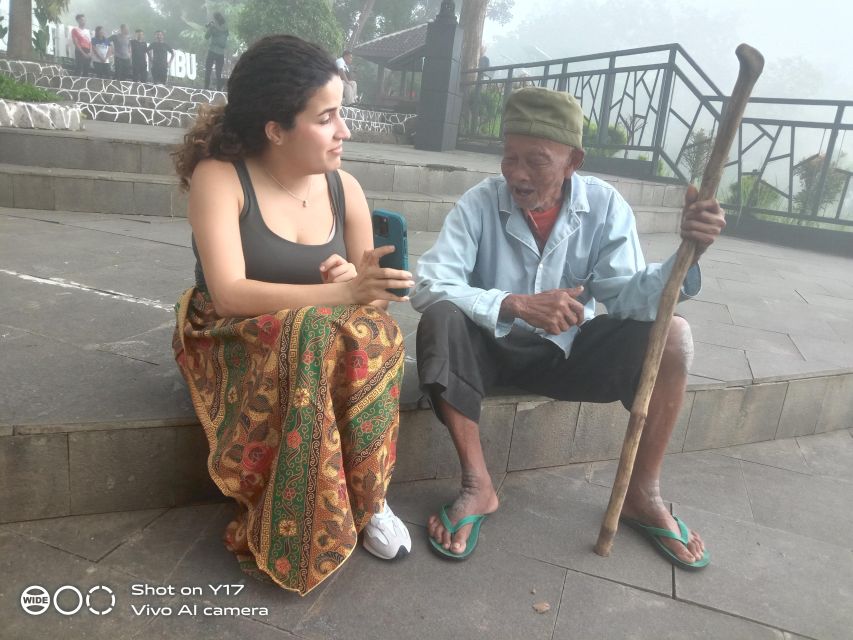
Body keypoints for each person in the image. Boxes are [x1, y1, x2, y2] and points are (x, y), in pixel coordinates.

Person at [411, 87, 725, 568]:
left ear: (573, 160)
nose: (517, 173)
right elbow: (428, 284)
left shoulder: (604, 207)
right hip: (491, 354)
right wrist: (513, 304)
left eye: (535, 160)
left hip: (570, 354)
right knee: (441, 318)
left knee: (675, 337)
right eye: (509, 157)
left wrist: (688, 255)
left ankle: (643, 492)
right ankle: (478, 484)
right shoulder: (478, 205)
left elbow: (627, 296)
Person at [172, 34, 413, 596]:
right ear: (275, 129)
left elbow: (367, 298)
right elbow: (229, 293)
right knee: (312, 333)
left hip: (317, 331)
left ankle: (367, 497)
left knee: (375, 334)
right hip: (233, 333)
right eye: (326, 118)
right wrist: (340, 298)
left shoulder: (344, 186)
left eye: (341, 114)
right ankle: (302, 511)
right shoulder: (220, 177)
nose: (344, 131)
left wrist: (359, 285)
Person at [204, 12, 229, 91]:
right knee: (215, 71)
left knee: (212, 71)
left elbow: (207, 37)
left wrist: (212, 27)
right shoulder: (223, 28)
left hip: (215, 52)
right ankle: (213, 89)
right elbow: (206, 36)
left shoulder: (219, 27)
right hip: (217, 52)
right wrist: (211, 27)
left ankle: (210, 88)